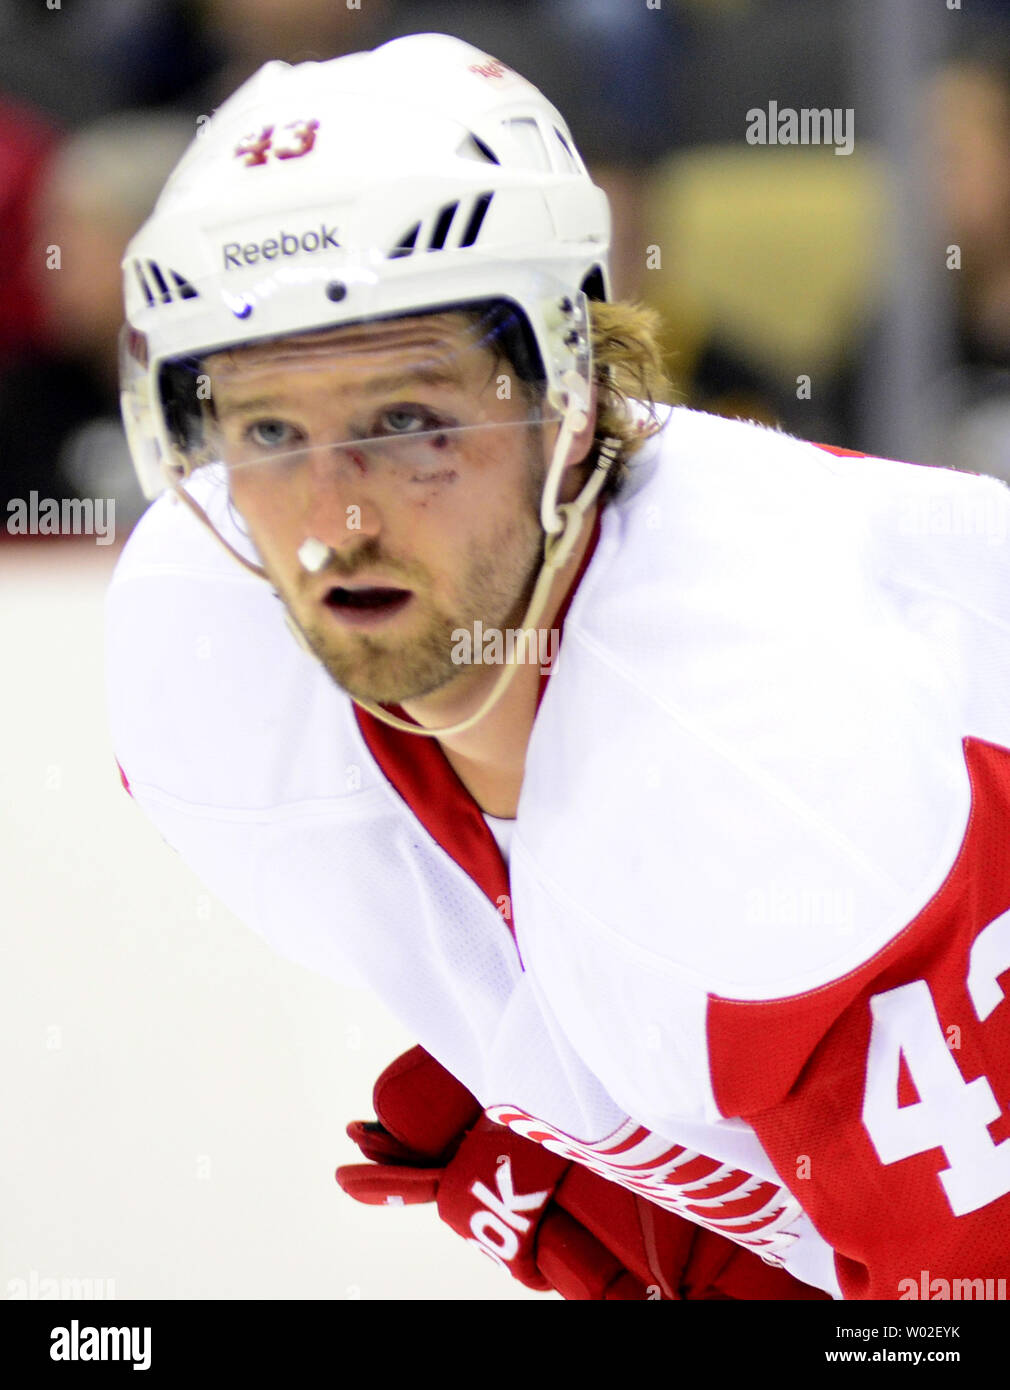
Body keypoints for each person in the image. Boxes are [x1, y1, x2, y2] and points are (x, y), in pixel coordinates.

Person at [107, 34, 1010, 1301]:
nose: (332, 520)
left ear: (570, 397)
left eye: (405, 423)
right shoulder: (204, 660)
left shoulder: (769, 738)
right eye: (267, 430)